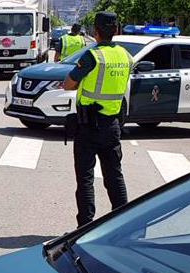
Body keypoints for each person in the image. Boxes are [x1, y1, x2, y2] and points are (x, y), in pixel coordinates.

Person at [63, 12, 132, 228]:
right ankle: (122, 223)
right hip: (112, 124)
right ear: (117, 31)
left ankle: (85, 226)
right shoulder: (126, 56)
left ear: (95, 32)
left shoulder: (92, 56)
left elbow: (68, 83)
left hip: (88, 126)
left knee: (85, 178)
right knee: (114, 175)